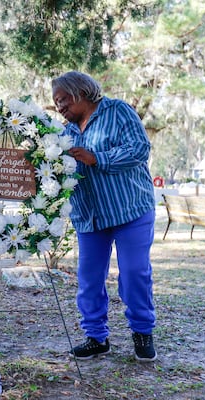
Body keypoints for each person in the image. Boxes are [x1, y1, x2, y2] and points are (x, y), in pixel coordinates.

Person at [51, 71, 158, 362]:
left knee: (135, 272)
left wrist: (98, 158)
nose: (59, 107)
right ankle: (96, 337)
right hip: (90, 216)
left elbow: (139, 149)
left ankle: (142, 331)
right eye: (56, 102)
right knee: (89, 278)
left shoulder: (118, 111)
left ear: (80, 93)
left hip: (130, 209)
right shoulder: (65, 132)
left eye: (62, 100)